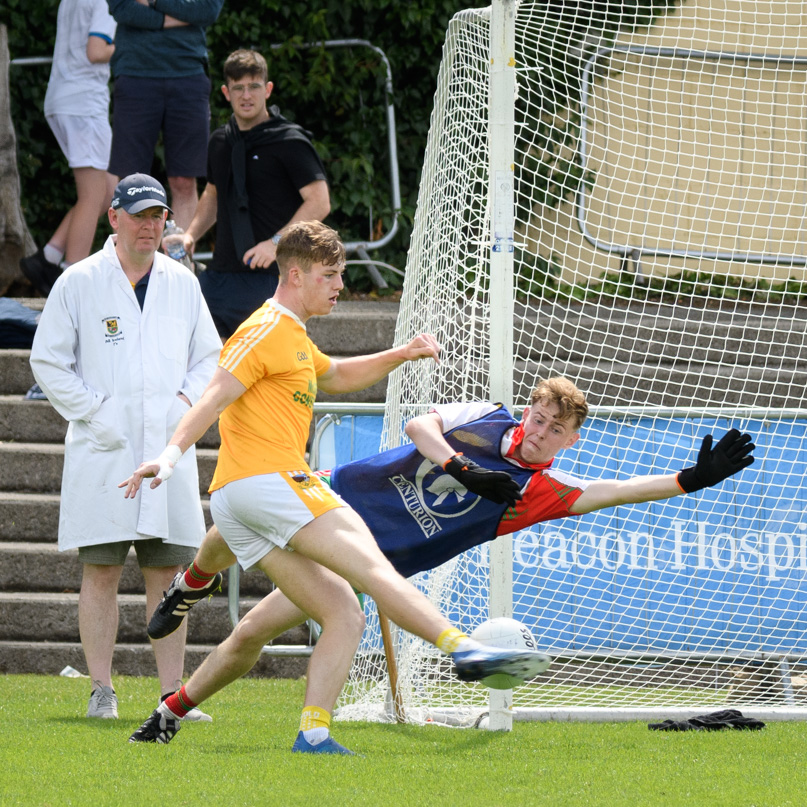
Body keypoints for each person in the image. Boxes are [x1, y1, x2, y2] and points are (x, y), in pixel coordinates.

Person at [129, 377, 756, 748]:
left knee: (251, 631)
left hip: (359, 556)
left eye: (555, 429)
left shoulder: (540, 493)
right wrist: (466, 469)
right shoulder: (485, 419)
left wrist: (689, 479)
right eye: (539, 417)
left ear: (570, 440)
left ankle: (169, 713)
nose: (539, 431)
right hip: (331, 494)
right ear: (528, 410)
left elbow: (613, 492)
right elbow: (420, 424)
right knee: (240, 515)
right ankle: (192, 585)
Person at [119, 220, 552, 754]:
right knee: (372, 568)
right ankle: (464, 649)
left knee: (340, 614)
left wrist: (402, 353)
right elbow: (211, 398)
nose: (339, 285)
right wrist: (168, 456)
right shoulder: (262, 329)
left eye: (341, 274)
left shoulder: (293, 336)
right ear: (295, 275)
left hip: (242, 503)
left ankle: (224, 718)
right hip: (272, 484)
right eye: (329, 275)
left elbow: (337, 375)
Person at [29, 173, 223, 721]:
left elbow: (209, 356)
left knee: (168, 574)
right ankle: (101, 689)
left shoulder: (182, 282)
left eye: (158, 215)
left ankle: (171, 694)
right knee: (102, 571)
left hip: (165, 451)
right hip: (103, 450)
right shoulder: (79, 281)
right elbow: (47, 363)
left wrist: (181, 406)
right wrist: (98, 411)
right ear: (113, 217)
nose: (149, 225)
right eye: (139, 215)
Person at [178, 49, 331, 338]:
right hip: (219, 276)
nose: (246, 95)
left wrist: (276, 244)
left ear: (268, 89)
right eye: (238, 88)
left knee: (269, 375)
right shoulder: (220, 141)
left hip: (272, 279)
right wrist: (190, 236)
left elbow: (319, 201)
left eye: (254, 86)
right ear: (226, 92)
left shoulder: (289, 140)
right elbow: (212, 194)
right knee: (195, 364)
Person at [20, 0, 117, 297]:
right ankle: (73, 283)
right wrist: (135, 45)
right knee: (93, 195)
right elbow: (97, 50)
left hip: (66, 98)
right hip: (83, 103)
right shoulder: (108, 2)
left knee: (110, 191)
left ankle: (48, 257)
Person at [106, 0, 225, 228]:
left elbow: (207, 11)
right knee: (131, 182)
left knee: (184, 181)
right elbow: (122, 9)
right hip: (135, 72)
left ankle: (179, 260)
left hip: (188, 73)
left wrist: (153, 2)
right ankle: (131, 262)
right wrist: (179, 16)